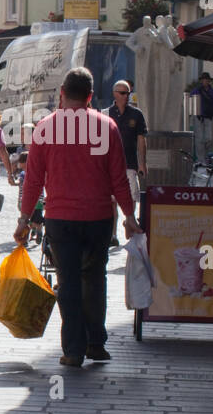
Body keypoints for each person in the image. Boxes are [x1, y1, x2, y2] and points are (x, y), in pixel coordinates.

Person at [16, 67, 142, 368]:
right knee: (95, 278)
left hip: (60, 218)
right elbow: (118, 179)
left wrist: (24, 219)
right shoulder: (106, 126)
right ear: (90, 95)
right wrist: (129, 215)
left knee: (68, 281)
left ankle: (73, 348)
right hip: (98, 217)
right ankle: (96, 343)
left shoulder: (46, 127)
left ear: (62, 92)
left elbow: (33, 179)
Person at [106, 80, 147, 217]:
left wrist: (142, 164)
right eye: (123, 93)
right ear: (114, 94)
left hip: (130, 163)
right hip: (110, 165)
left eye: (128, 93)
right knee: (111, 201)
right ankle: (113, 235)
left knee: (132, 197)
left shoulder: (136, 114)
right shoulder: (106, 114)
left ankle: (129, 223)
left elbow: (141, 139)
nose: (126, 96)